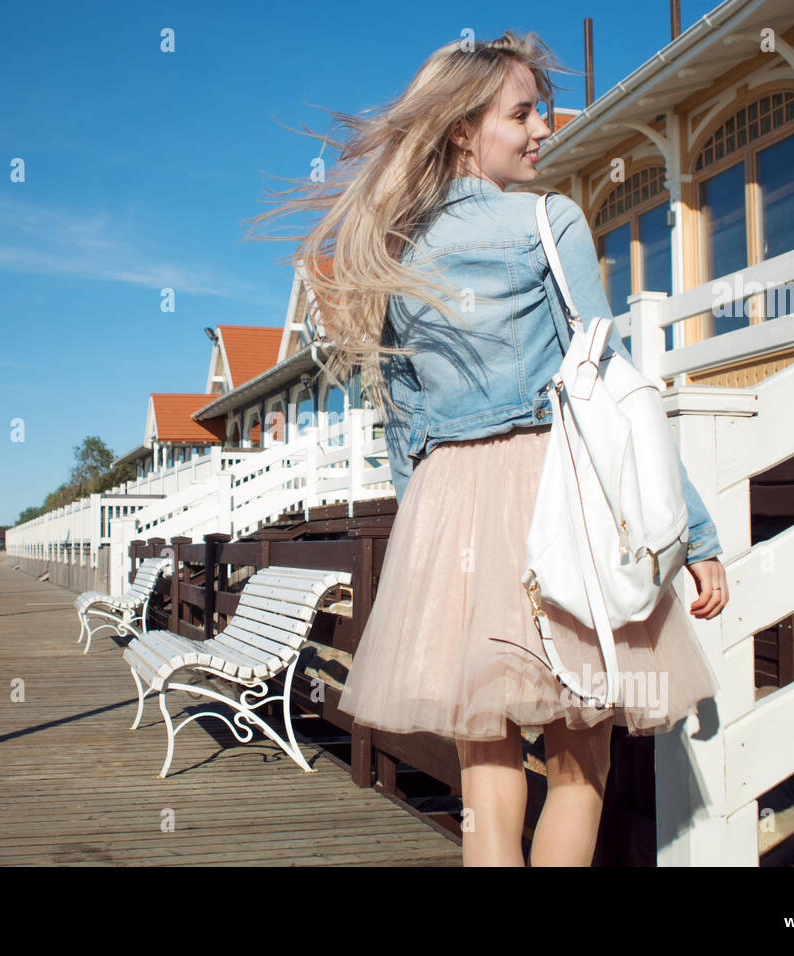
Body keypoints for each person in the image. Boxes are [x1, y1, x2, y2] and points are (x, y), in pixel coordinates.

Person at [246, 30, 730, 867]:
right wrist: (695, 533)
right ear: (464, 130)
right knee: (581, 763)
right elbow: (612, 390)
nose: (543, 127)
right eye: (522, 112)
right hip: (554, 500)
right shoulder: (550, 220)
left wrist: (424, 540)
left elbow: (403, 421)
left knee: (487, 776)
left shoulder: (395, 250)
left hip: (449, 513)